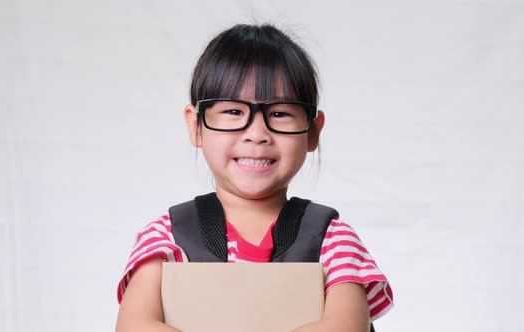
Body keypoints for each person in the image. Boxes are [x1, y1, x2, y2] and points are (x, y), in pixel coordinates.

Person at [115, 23, 393, 332]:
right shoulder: (167, 238)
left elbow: (345, 327)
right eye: (234, 112)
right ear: (195, 126)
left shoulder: (332, 239)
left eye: (279, 113)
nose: (257, 134)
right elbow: (134, 326)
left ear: (313, 131)